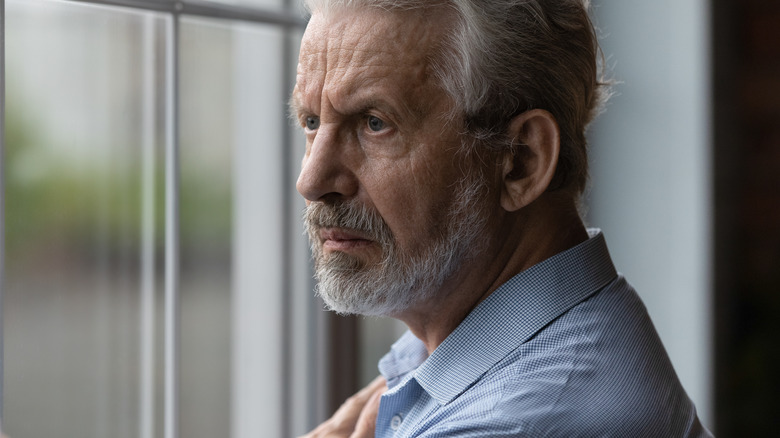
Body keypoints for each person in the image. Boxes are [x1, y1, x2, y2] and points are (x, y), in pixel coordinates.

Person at [291, 0, 714, 436]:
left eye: (375, 123)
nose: (312, 179)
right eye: (311, 120)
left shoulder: (515, 421)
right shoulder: (480, 349)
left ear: (520, 161)